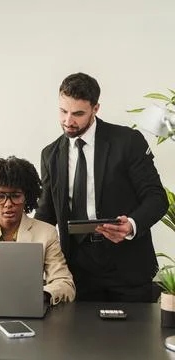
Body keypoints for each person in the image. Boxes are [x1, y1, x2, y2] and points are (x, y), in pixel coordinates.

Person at [35, 72, 169, 302]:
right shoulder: (50, 154)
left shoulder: (128, 141)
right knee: (79, 338)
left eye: (78, 113)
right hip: (77, 270)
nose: (68, 121)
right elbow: (46, 215)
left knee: (134, 338)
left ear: (95, 108)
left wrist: (132, 225)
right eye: (63, 111)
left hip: (127, 267)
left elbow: (157, 198)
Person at [0, 155, 75, 305]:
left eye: (15, 196)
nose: (8, 204)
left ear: (26, 197)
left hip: (28, 310)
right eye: (0, 196)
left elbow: (65, 283)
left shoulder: (46, 233)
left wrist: (42, 296)